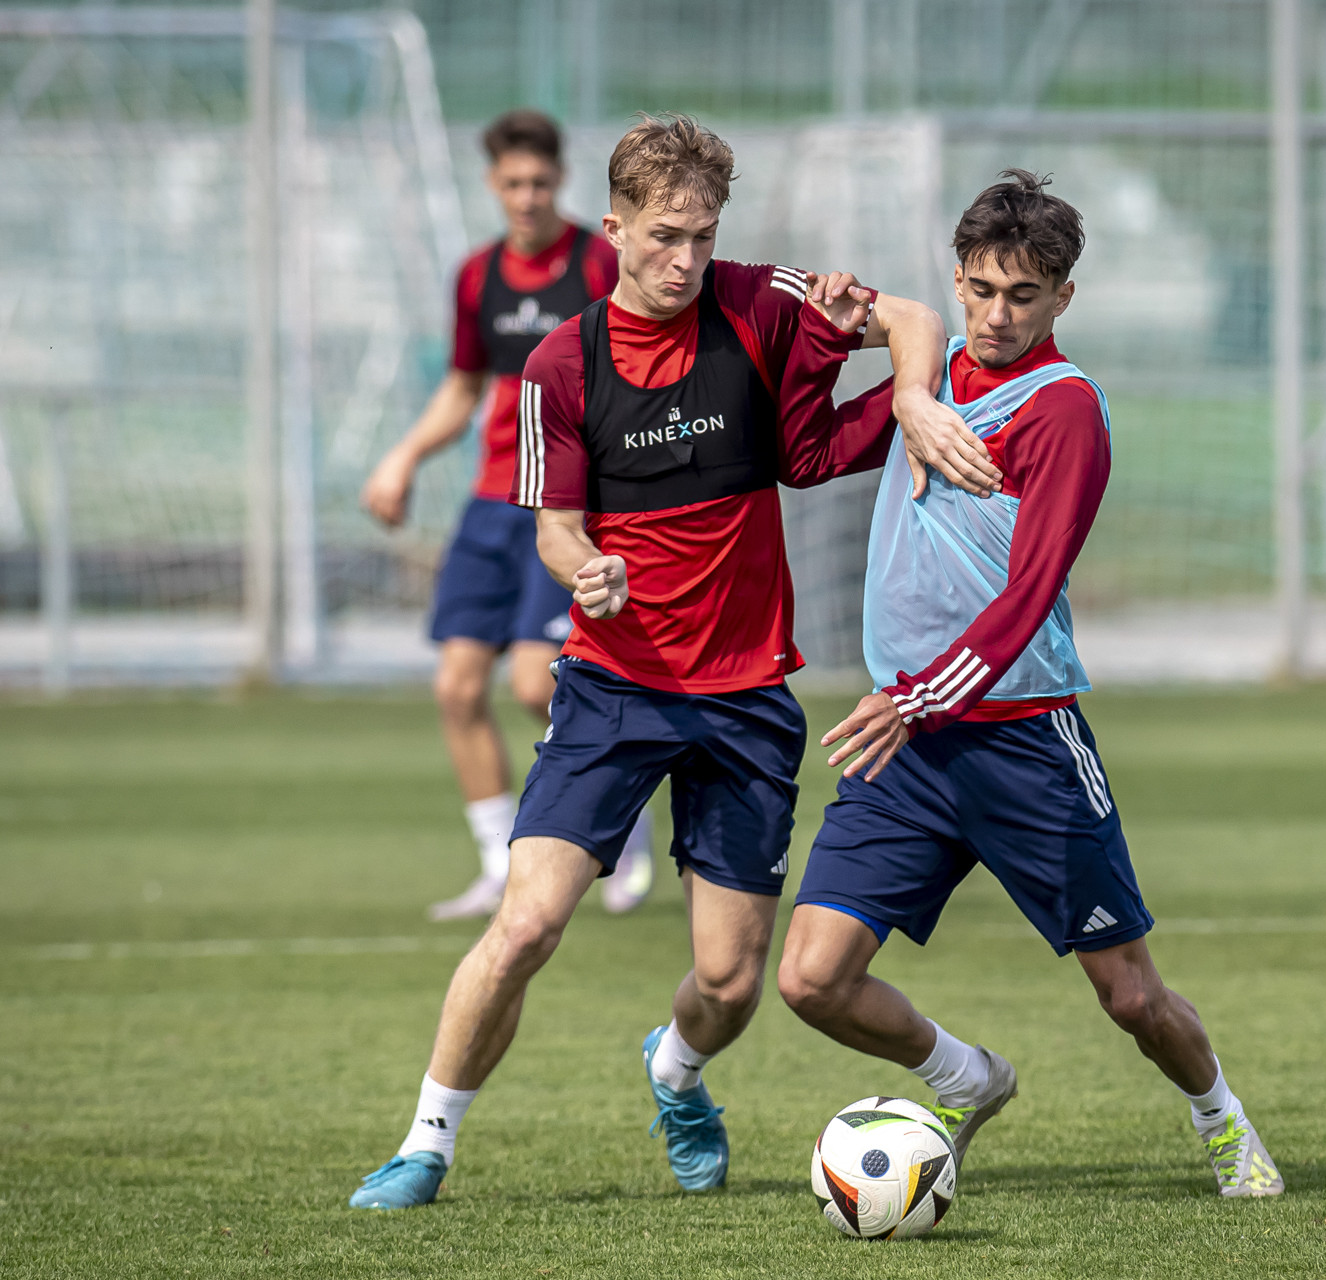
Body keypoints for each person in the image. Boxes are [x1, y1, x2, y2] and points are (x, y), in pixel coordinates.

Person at [348, 114, 994, 1210]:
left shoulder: (755, 298)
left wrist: (914, 394)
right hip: (615, 688)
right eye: (663, 236)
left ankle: (678, 1071)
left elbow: (918, 316)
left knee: (731, 983)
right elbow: (556, 530)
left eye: (702, 236)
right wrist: (586, 568)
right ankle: (426, 1143)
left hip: (746, 699)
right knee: (526, 923)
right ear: (613, 229)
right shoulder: (563, 363)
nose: (685, 260)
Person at [775, 171, 1285, 1199]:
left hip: (1022, 746)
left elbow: (1027, 596)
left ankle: (1220, 1118)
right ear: (957, 281)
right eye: (978, 290)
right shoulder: (931, 386)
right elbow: (806, 452)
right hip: (909, 747)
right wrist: (845, 348)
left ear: (1063, 297)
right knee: (810, 979)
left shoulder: (1064, 409)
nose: (996, 315)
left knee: (1131, 998)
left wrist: (914, 695)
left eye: (1022, 295)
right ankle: (966, 1077)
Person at [360, 109, 655, 920]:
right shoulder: (476, 277)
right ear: (493, 185)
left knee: (535, 683)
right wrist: (403, 457)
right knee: (457, 687)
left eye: (540, 183)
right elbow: (464, 387)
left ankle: (622, 822)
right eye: (513, 183)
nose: (527, 197)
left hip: (564, 504)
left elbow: (633, 369)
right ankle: (498, 862)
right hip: (491, 500)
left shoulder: (597, 263)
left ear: (560, 181)